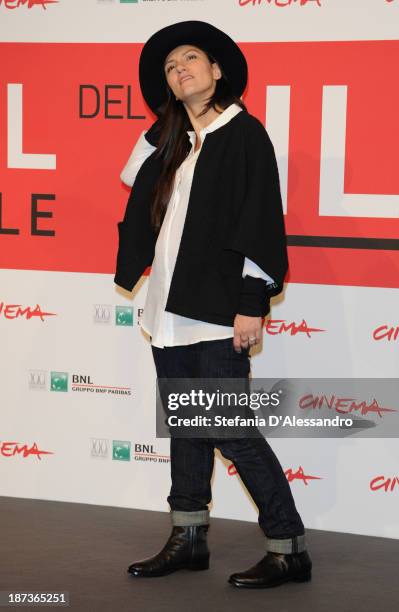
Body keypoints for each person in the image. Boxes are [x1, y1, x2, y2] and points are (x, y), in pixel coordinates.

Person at [114, 20, 312, 589]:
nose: (180, 70)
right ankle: (189, 536)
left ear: (218, 69)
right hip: (168, 309)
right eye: (171, 67)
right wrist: (167, 120)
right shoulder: (177, 140)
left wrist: (252, 303)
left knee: (229, 427)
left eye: (191, 59)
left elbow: (259, 222)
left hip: (219, 309)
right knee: (186, 426)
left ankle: (287, 543)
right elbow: (131, 176)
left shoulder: (244, 134)